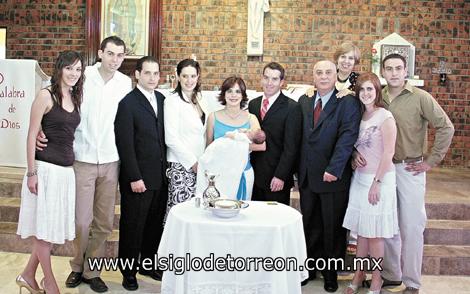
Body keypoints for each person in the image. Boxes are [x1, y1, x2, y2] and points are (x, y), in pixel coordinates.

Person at [353, 54, 454, 293]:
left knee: (411, 226)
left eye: (398, 68)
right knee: (386, 224)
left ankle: (412, 282)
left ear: (406, 69)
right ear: (383, 71)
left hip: (410, 169)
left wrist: (431, 161)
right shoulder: (379, 97)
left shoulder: (421, 98)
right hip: (383, 170)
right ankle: (391, 274)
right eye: (389, 69)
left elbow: (446, 127)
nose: (394, 73)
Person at [38, 36, 132, 293]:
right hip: (82, 158)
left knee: (104, 222)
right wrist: (39, 129)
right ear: (100, 53)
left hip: (112, 160)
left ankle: (93, 271)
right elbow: (52, 91)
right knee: (81, 220)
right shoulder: (83, 75)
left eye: (120, 55)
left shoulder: (125, 83)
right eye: (110, 54)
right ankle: (77, 266)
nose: (114, 60)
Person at [16, 50, 84, 294]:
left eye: (78, 69)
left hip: (65, 174)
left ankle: (26, 275)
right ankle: (51, 283)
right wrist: (31, 172)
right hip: (44, 171)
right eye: (69, 68)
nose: (74, 74)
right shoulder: (45, 96)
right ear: (59, 69)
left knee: (50, 230)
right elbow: (32, 134)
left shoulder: (75, 97)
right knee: (43, 232)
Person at [298, 60, 361, 292]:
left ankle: (331, 273)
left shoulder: (347, 102)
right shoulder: (304, 100)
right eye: (319, 72)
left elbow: (347, 137)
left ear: (337, 75)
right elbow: (300, 137)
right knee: (310, 224)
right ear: (313, 76)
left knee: (332, 228)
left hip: (332, 176)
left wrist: (334, 169)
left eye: (328, 72)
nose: (323, 76)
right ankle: (311, 268)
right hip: (307, 176)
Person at [114, 56, 167, 291]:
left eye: (156, 74)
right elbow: (124, 144)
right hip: (138, 178)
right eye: (147, 73)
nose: (152, 78)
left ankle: (147, 263)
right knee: (132, 226)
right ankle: (128, 271)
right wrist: (134, 177)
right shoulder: (127, 103)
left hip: (159, 176)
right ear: (137, 74)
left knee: (153, 224)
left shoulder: (163, 100)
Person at [342, 72, 398, 294]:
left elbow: (389, 152)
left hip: (379, 180)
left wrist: (377, 182)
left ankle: (376, 279)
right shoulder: (359, 117)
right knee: (362, 232)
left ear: (377, 92)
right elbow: (355, 144)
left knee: (374, 234)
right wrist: (354, 154)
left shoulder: (385, 116)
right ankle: (358, 274)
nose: (365, 93)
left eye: (370, 89)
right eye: (362, 90)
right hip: (360, 179)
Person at [248, 62, 301, 205]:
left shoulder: (292, 108)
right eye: (266, 78)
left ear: (282, 82)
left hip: (276, 179)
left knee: (275, 220)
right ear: (261, 79)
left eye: (274, 79)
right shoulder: (253, 104)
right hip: (253, 175)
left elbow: (291, 147)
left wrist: (281, 176)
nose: (269, 83)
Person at [205, 76, 265, 200]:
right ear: (224, 94)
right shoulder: (213, 117)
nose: (233, 95)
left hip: (243, 172)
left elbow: (262, 145)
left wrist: (233, 145)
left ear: (243, 95)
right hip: (219, 174)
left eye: (238, 91)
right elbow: (209, 148)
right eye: (229, 91)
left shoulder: (251, 118)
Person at [164, 58, 209, 214]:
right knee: (181, 212)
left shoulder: (200, 99)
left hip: (199, 164)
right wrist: (192, 162)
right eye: (185, 76)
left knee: (197, 211)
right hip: (181, 165)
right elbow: (170, 138)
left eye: (193, 76)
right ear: (178, 76)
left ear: (198, 77)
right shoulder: (172, 101)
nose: (189, 80)